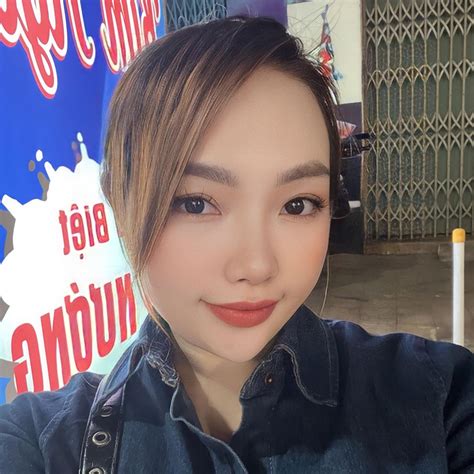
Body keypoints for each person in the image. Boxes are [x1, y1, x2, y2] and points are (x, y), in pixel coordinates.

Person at [0, 15, 473, 474]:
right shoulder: (43, 444)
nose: (256, 265)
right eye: (196, 203)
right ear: (121, 207)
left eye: (297, 204)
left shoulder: (438, 398)